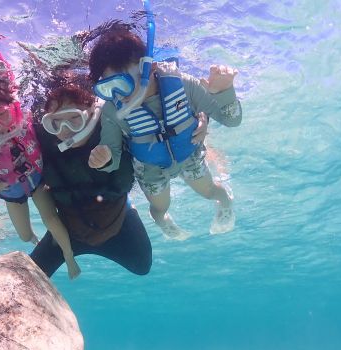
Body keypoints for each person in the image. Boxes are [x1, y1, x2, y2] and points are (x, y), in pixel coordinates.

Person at [30, 72, 202, 277]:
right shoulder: (40, 139)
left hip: (118, 224)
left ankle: (131, 207)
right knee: (31, 277)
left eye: (75, 119)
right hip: (67, 232)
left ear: (93, 112)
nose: (66, 130)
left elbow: (166, 113)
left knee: (142, 265)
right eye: (55, 122)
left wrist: (202, 118)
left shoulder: (114, 125)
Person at [86, 19, 242, 240]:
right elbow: (113, 152)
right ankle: (162, 222)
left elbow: (230, 120)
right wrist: (104, 159)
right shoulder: (112, 110)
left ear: (151, 67)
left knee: (210, 192)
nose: (121, 95)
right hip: (151, 169)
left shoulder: (184, 85)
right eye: (109, 87)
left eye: (125, 82)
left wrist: (224, 91)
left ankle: (225, 202)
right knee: (160, 207)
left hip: (189, 155)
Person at [0, 53, 82, 279]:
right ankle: (34, 238)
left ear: (14, 109)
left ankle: (69, 256)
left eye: (2, 116)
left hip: (37, 182)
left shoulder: (29, 126)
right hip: (10, 192)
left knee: (51, 219)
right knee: (25, 237)